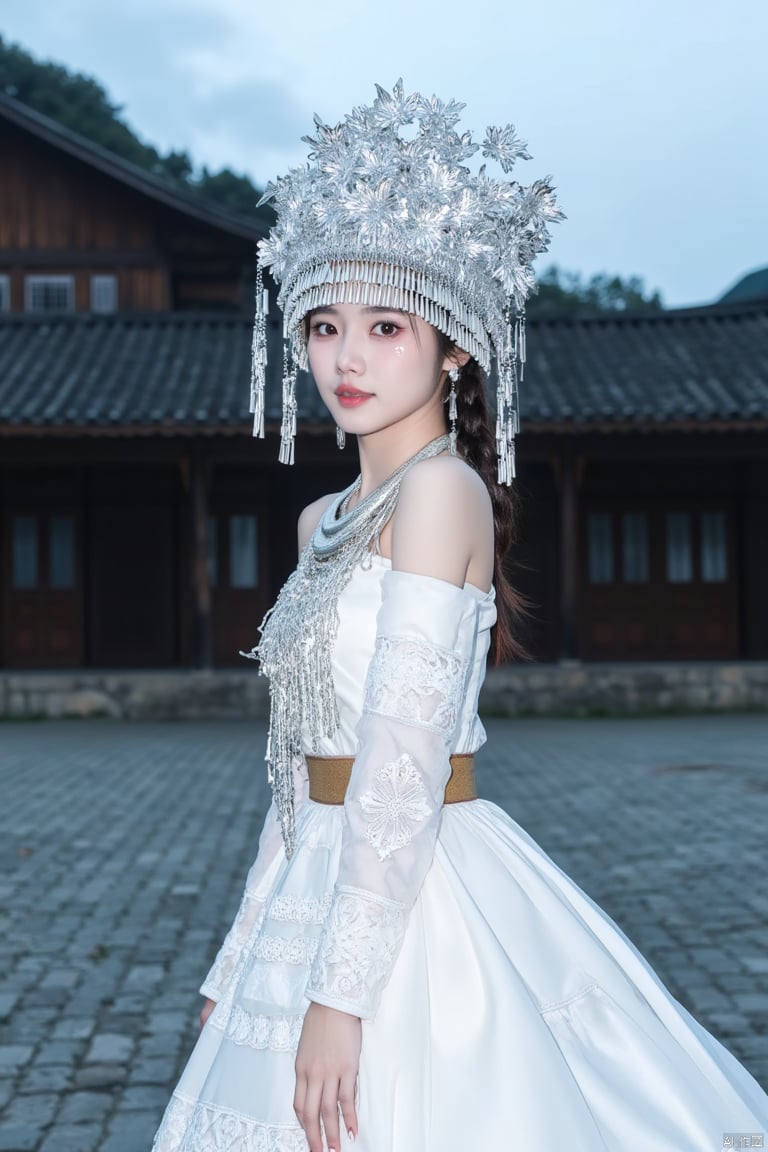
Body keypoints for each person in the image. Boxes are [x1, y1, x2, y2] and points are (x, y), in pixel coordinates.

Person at [152, 81, 768, 1152]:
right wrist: (242, 957)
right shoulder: (321, 519)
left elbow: (399, 759)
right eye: (326, 325)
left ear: (454, 349)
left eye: (386, 326)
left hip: (419, 881)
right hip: (317, 873)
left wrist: (341, 1002)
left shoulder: (444, 495)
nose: (346, 358)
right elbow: (300, 775)